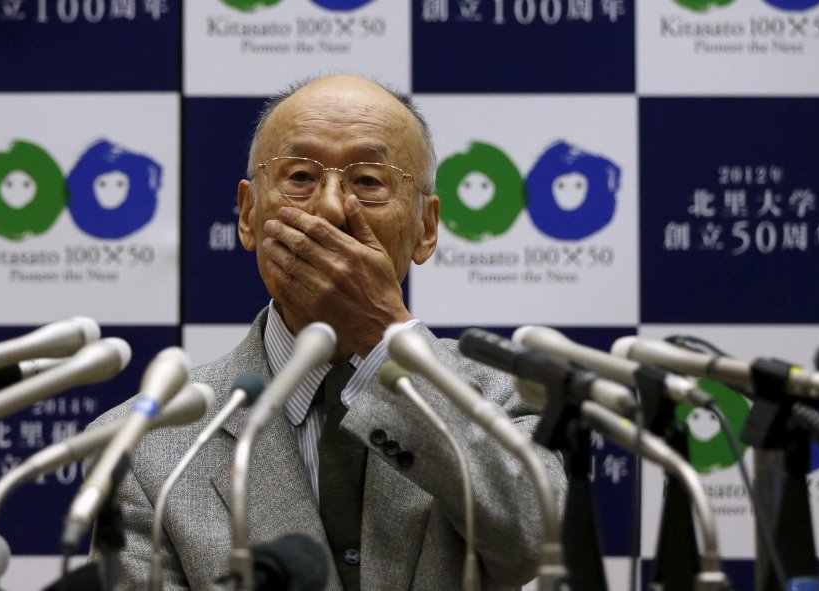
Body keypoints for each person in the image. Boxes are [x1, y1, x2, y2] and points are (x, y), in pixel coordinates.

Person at [89, 74, 566, 590]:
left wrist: (384, 334)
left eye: (368, 181)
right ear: (248, 214)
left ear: (427, 228)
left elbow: (536, 544)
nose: (333, 208)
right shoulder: (149, 445)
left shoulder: (499, 392)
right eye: (299, 177)